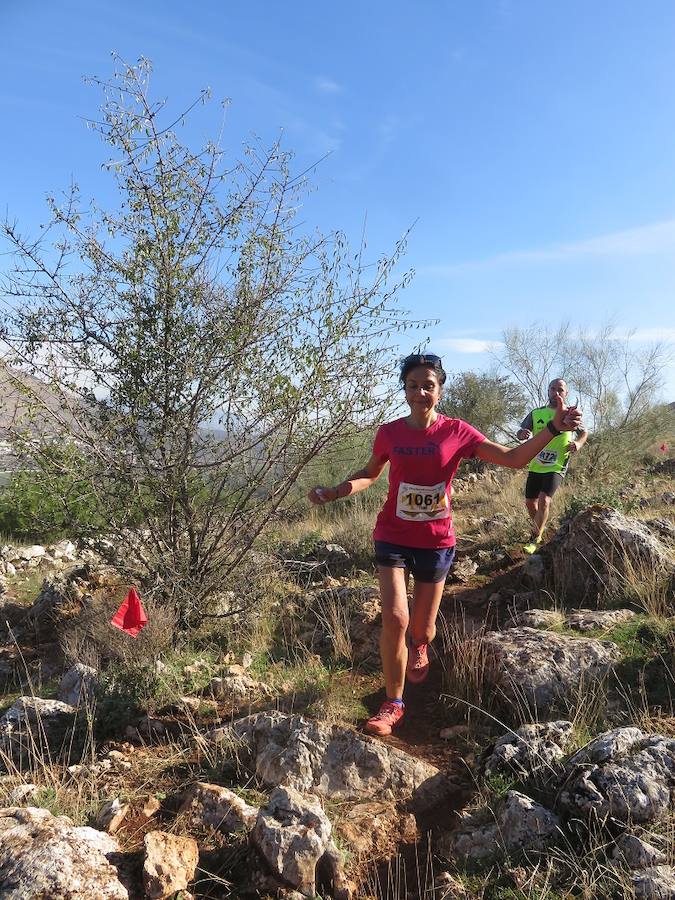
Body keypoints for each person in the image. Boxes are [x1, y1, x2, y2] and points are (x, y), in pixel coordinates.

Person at [309, 353, 582, 737]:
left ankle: (421, 645)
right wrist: (338, 490)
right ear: (404, 390)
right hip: (393, 535)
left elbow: (515, 458)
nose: (420, 392)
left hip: (436, 542)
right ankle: (393, 703)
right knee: (395, 618)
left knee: (421, 629)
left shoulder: (457, 432)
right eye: (413, 385)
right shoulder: (390, 433)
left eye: (428, 385)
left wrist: (553, 428)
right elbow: (370, 474)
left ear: (439, 389)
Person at [517, 378, 588, 555]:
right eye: (553, 388)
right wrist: (523, 433)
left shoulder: (570, 414)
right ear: (548, 391)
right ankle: (540, 529)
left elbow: (584, 432)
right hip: (536, 463)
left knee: (544, 500)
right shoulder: (535, 413)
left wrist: (578, 443)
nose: (556, 392)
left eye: (560, 389)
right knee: (529, 503)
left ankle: (534, 538)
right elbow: (520, 432)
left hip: (557, 464)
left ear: (566, 393)